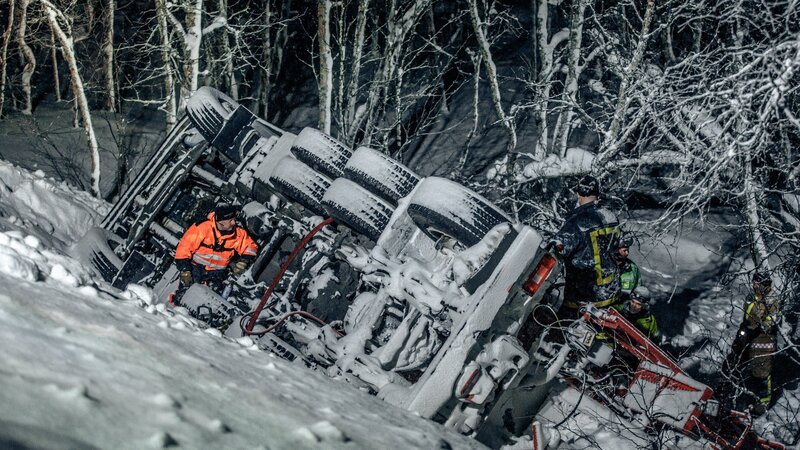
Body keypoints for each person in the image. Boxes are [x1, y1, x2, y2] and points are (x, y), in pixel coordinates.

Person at [551, 175, 622, 319]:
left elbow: (560, 248)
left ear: (578, 193)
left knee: (560, 331)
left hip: (584, 295)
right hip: (611, 291)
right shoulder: (610, 216)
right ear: (598, 193)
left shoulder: (577, 222)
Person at [171, 203, 258, 305]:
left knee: (213, 302)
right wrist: (185, 270)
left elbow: (251, 247)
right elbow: (184, 249)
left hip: (218, 274)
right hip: (195, 269)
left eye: (234, 219)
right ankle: (176, 313)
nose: (234, 222)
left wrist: (243, 261)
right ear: (220, 222)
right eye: (230, 220)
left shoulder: (239, 233)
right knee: (183, 295)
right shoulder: (202, 227)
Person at [721, 270, 780, 416]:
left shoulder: (772, 300)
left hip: (763, 342)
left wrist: (759, 328)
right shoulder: (752, 296)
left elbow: (773, 321)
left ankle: (760, 408)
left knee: (761, 374)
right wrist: (744, 330)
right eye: (753, 282)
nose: (753, 285)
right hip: (746, 336)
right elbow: (748, 317)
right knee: (731, 363)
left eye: (756, 283)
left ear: (764, 284)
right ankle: (722, 394)